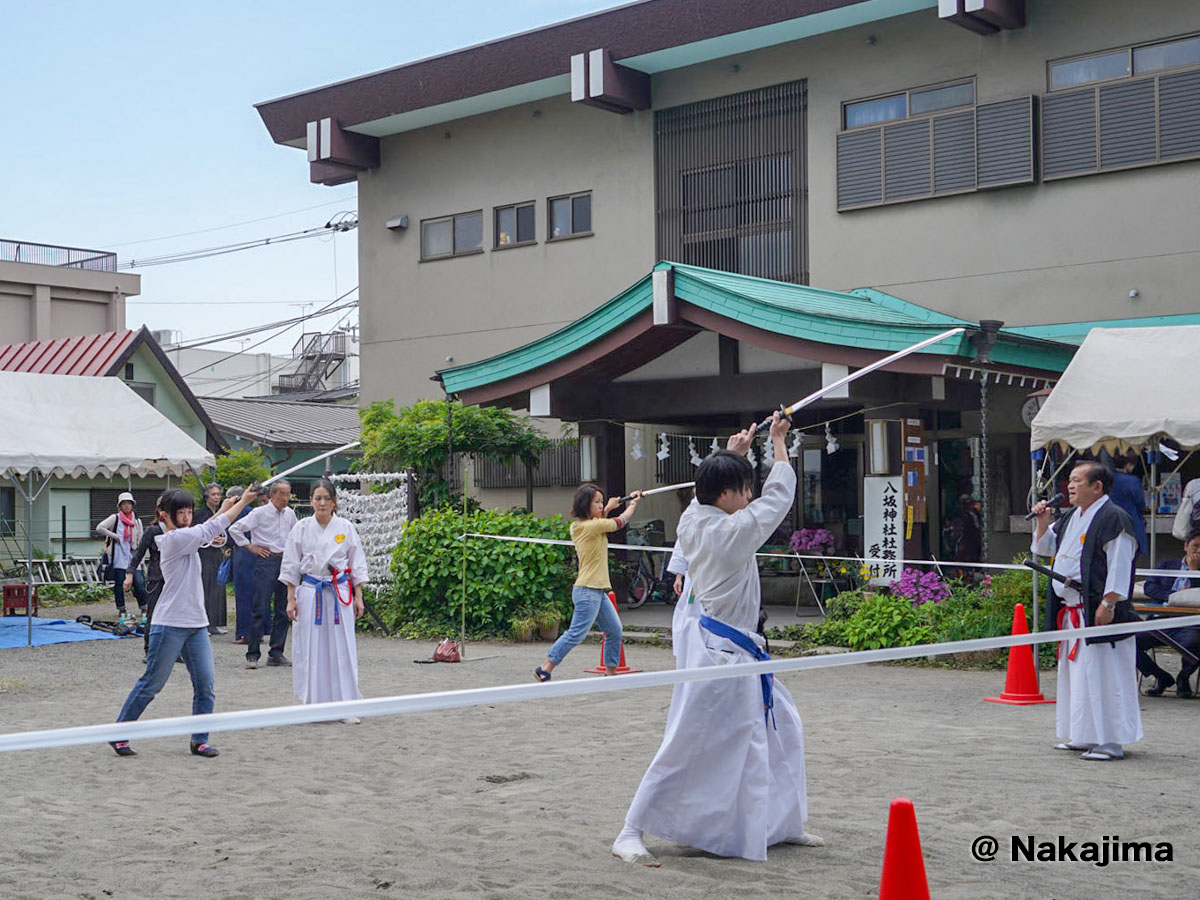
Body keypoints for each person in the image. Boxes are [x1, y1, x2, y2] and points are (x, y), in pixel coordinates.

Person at [613, 412, 822, 864]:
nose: (750, 496)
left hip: (739, 653)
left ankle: (780, 825)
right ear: (726, 495)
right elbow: (779, 498)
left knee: (781, 728)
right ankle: (631, 829)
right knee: (688, 741)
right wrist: (780, 443)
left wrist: (738, 454)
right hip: (720, 657)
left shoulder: (695, 518)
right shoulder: (730, 530)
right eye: (745, 488)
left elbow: (719, 494)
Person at [109, 486, 258, 758]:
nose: (188, 516)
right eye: (182, 512)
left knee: (205, 685)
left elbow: (210, 530)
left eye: (190, 511)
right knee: (152, 683)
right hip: (169, 623)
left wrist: (226, 506)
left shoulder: (188, 535)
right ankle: (119, 732)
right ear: (164, 515)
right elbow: (207, 530)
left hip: (196, 624)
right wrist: (242, 502)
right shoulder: (171, 540)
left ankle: (199, 740)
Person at [1031, 460, 1142, 761]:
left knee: (1105, 675)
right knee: (1078, 676)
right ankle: (1083, 734)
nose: (1070, 485)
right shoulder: (1071, 517)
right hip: (1073, 611)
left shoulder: (1114, 518)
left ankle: (1111, 741)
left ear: (1097, 486)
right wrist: (1043, 520)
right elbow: (1045, 548)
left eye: (1077, 480)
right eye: (1069, 480)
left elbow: (1120, 564)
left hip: (1099, 608)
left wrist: (1109, 602)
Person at [280, 479, 369, 721]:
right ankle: (314, 704)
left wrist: (358, 596)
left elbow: (356, 562)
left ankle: (346, 705)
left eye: (326, 499)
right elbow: (290, 565)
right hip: (311, 591)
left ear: (334, 502)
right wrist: (291, 598)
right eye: (317, 498)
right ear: (310, 501)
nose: (322, 503)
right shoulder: (301, 528)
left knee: (343, 646)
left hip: (339, 592)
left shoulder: (346, 527)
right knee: (312, 646)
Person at [533, 485, 641, 681]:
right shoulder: (590, 527)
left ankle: (610, 673)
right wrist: (633, 503)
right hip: (587, 590)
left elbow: (600, 522)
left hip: (598, 590)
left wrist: (607, 508)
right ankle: (545, 667)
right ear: (585, 504)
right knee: (576, 633)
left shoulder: (581, 526)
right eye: (597, 502)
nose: (601, 505)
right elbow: (620, 522)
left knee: (614, 630)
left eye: (601, 501)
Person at [229, 480, 298, 669]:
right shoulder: (259, 512)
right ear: (272, 495)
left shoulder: (290, 514)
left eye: (288, 494)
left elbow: (296, 536)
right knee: (260, 606)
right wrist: (250, 546)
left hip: (284, 560)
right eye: (282, 494)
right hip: (266, 560)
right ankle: (252, 654)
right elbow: (235, 528)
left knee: (283, 609)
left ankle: (276, 652)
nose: (285, 498)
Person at [1135, 528, 1200, 698]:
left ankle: (1183, 677)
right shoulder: (1167, 564)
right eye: (1195, 546)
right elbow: (1150, 587)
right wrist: (1174, 596)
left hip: (1189, 624)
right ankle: (1159, 676)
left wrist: (1194, 573)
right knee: (1129, 642)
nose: (1198, 551)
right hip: (1160, 620)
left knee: (1195, 643)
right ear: (1185, 546)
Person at [96, 492, 148, 621]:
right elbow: (100, 528)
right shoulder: (115, 518)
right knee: (119, 584)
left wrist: (142, 559)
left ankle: (144, 606)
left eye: (129, 503)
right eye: (124, 504)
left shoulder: (137, 521)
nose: (127, 506)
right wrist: (115, 537)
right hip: (118, 556)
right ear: (120, 506)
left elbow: (141, 541)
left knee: (139, 583)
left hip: (133, 555)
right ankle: (121, 608)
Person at [128, 495, 168, 660]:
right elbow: (138, 553)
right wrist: (130, 573)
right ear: (159, 511)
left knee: (175, 616)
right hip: (156, 578)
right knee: (153, 615)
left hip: (175, 579)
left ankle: (174, 651)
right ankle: (149, 650)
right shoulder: (153, 530)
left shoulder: (181, 530)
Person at [193, 483, 229, 635]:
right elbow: (197, 533)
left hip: (217, 554)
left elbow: (225, 532)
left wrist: (223, 542)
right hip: (204, 554)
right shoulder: (200, 514)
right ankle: (204, 624)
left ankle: (215, 623)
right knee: (205, 588)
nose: (216, 497)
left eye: (218, 494)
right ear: (206, 496)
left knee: (218, 588)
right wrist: (211, 539)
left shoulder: (221, 514)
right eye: (213, 494)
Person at [225, 486, 259, 644]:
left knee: (243, 595)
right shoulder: (254, 511)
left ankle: (244, 633)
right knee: (255, 594)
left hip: (242, 552)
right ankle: (258, 631)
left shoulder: (238, 511)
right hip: (255, 552)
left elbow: (230, 532)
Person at [1110, 452, 1148, 557]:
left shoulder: (1107, 479)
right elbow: (1141, 504)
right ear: (1127, 465)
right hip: (1131, 521)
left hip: (1110, 521)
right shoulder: (1133, 481)